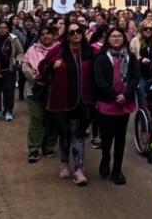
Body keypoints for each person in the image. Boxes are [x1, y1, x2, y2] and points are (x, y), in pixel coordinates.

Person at [38, 22, 96, 185]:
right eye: (72, 32)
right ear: (67, 35)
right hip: (62, 101)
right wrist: (52, 66)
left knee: (77, 133)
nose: (75, 34)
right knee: (64, 134)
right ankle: (64, 163)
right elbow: (42, 67)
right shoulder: (59, 50)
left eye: (78, 31)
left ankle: (79, 169)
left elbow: (106, 61)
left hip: (83, 101)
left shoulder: (90, 51)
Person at [93, 27, 140, 185]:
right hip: (107, 101)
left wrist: (126, 95)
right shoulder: (101, 57)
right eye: (113, 36)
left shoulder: (131, 57)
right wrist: (114, 95)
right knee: (107, 133)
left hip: (124, 102)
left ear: (123, 38)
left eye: (119, 36)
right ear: (108, 39)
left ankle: (117, 169)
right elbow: (98, 79)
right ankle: (105, 158)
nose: (116, 38)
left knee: (120, 136)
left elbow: (135, 77)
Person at [22, 25, 58, 162]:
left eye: (48, 33)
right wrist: (37, 77)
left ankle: (48, 147)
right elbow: (25, 66)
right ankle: (33, 149)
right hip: (34, 89)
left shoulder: (59, 50)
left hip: (54, 91)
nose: (45, 36)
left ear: (53, 35)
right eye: (42, 34)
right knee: (37, 119)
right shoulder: (33, 50)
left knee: (52, 120)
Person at [130, 18, 152, 107]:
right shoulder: (135, 41)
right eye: (146, 28)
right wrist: (139, 58)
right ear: (142, 29)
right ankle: (142, 119)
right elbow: (131, 56)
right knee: (142, 101)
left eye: (151, 28)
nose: (148, 30)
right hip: (140, 75)